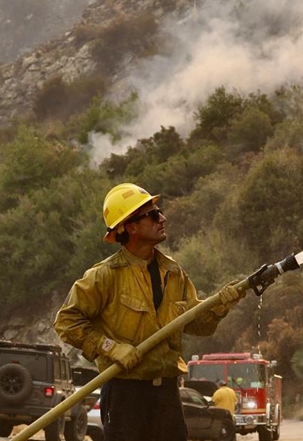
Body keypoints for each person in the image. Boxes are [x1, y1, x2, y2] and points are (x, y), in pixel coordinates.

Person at [54, 182, 245, 441]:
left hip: (166, 394)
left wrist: (220, 306)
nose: (163, 218)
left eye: (160, 212)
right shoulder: (104, 276)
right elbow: (66, 322)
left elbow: (197, 325)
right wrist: (112, 347)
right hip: (124, 394)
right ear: (131, 227)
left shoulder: (173, 273)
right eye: (153, 215)